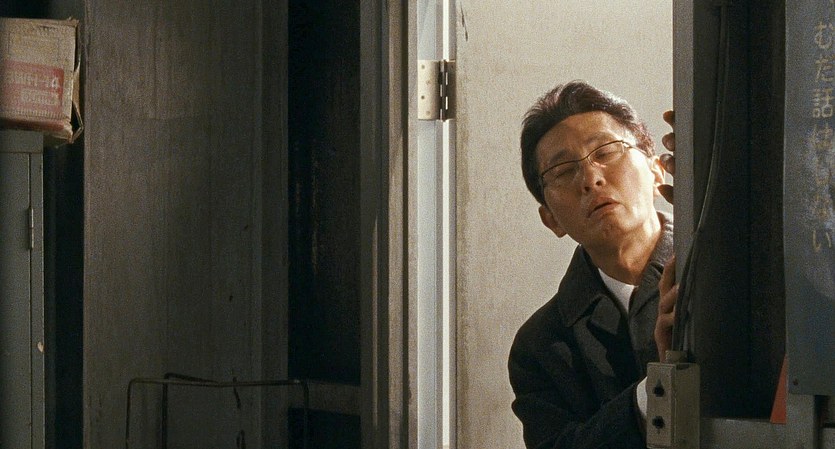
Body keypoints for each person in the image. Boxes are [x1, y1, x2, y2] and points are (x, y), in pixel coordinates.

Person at [508, 80, 677, 449]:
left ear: (656, 171)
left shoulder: (716, 273)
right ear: (551, 219)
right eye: (563, 170)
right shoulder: (540, 345)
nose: (590, 178)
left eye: (606, 151)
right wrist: (656, 390)